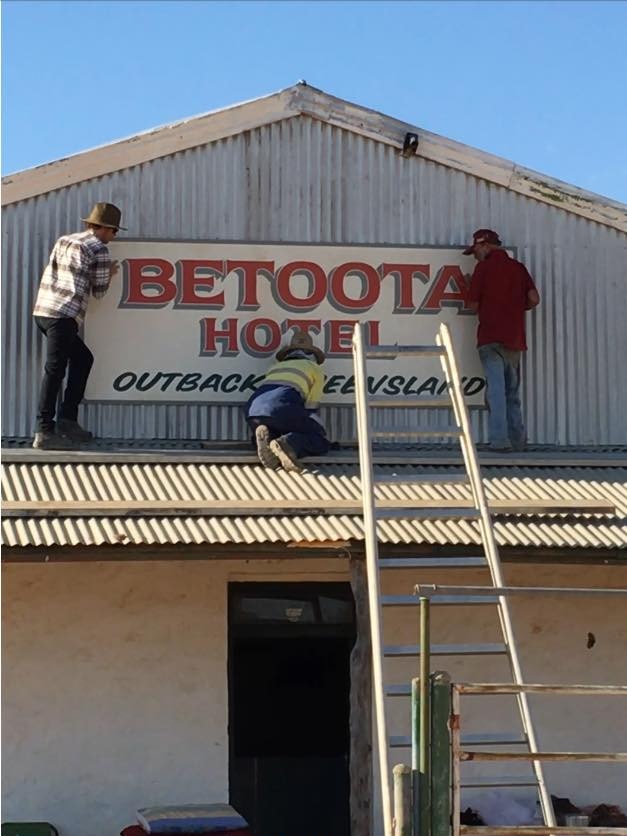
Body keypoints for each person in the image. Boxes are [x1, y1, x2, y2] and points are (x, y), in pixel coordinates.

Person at [32, 202, 125, 449]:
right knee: (55, 370)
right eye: (114, 231)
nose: (113, 237)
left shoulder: (65, 240)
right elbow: (99, 291)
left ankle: (67, 420)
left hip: (43, 310)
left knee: (82, 359)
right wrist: (111, 273)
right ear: (105, 228)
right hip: (64, 315)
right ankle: (44, 430)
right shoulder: (99, 249)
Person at [464, 228, 540, 452]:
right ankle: (518, 440)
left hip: (490, 338)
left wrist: (471, 291)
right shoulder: (518, 269)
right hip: (514, 339)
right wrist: (515, 307)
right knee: (512, 393)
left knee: (495, 391)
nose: (475, 255)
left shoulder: (483, 269)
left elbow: (472, 305)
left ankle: (499, 441)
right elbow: (534, 299)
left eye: (475, 250)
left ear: (484, 245)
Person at [245, 328, 330, 471]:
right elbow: (311, 407)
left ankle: (267, 437)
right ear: (311, 355)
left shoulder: (275, 367)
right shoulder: (314, 368)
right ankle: (288, 444)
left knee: (278, 428)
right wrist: (319, 428)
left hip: (252, 410)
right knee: (318, 439)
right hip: (282, 407)